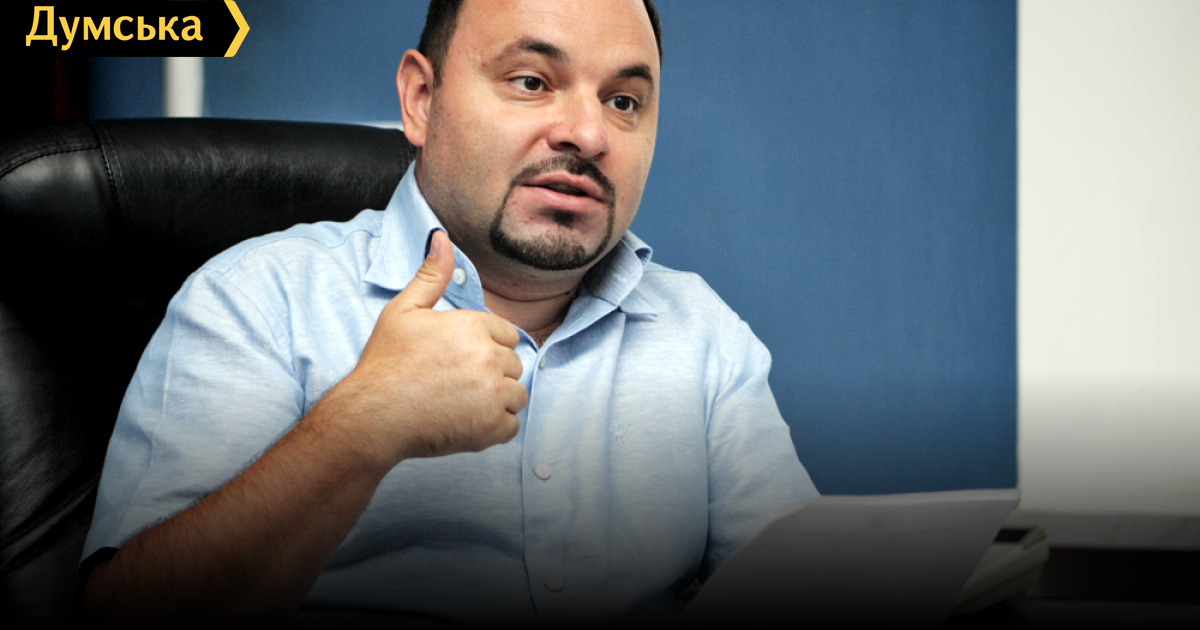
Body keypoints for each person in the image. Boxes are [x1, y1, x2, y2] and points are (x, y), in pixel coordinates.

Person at [80, 0, 818, 624]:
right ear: (421, 100)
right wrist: (362, 425)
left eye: (623, 101)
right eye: (532, 82)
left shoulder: (702, 334)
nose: (589, 135)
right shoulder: (258, 299)